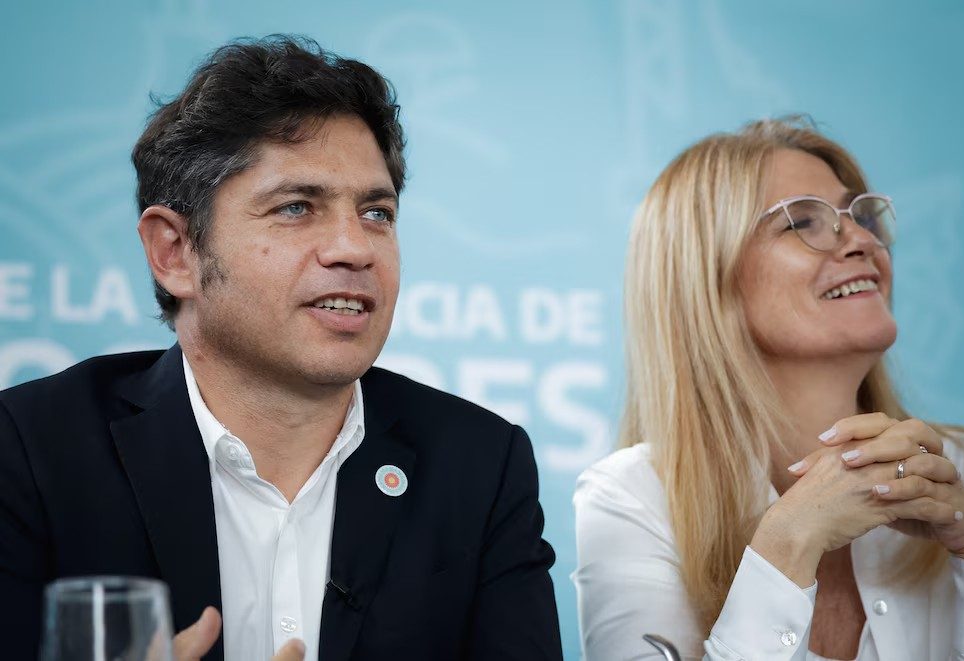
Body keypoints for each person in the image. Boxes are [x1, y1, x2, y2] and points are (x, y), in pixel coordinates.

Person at [0, 35, 563, 661]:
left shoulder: (480, 464)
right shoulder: (28, 450)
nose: (355, 248)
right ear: (174, 253)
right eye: (297, 207)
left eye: (377, 213)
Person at [573, 117, 964, 660]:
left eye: (860, 216)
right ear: (709, 277)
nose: (864, 240)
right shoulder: (632, 497)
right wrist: (790, 540)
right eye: (805, 222)